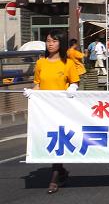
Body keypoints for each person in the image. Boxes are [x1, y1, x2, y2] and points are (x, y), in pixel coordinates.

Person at [23, 30, 79, 194]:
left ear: (60, 43)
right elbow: (38, 84)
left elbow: (75, 82)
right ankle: (61, 171)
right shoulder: (41, 63)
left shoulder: (67, 63)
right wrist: (31, 92)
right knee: (49, 140)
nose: (50, 44)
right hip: (45, 110)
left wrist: (72, 88)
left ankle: (54, 179)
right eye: (48, 41)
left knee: (58, 140)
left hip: (62, 108)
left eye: (54, 41)